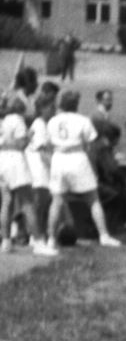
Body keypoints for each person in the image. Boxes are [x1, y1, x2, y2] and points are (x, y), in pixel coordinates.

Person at [45, 87, 120, 250]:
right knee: (93, 199)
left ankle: (51, 239)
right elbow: (92, 143)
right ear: (76, 104)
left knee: (57, 201)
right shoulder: (82, 120)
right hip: (77, 157)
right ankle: (104, 235)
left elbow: (48, 143)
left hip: (58, 158)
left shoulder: (52, 121)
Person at [0, 94, 40, 251]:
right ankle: (38, 240)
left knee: (6, 202)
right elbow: (21, 144)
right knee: (27, 202)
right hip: (15, 161)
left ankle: (6, 241)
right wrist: (29, 136)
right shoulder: (17, 120)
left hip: (2, 161)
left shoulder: (3, 122)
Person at [25, 82, 57, 245]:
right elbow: (43, 152)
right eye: (52, 108)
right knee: (39, 204)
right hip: (39, 169)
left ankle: (37, 234)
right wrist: (56, 168)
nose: (54, 111)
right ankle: (34, 236)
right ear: (43, 109)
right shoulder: (39, 125)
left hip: (38, 168)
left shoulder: (43, 124)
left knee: (42, 204)